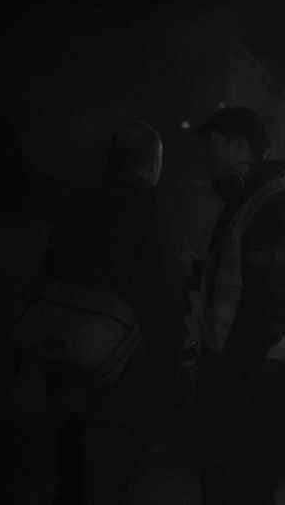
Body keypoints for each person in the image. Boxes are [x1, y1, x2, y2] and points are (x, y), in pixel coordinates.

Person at [43, 121, 190, 504]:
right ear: (154, 164)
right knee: (107, 483)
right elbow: (164, 299)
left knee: (72, 480)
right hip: (120, 381)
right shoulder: (145, 214)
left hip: (66, 367)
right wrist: (174, 375)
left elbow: (49, 278)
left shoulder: (77, 206)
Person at [189, 105, 285, 504]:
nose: (205, 154)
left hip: (263, 377)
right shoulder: (251, 200)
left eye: (212, 144)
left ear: (240, 147)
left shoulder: (277, 204)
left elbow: (276, 299)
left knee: (241, 490)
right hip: (250, 371)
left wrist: (231, 371)